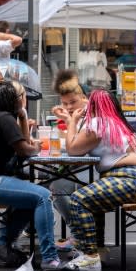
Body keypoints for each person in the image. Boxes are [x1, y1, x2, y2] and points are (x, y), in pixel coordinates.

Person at [0, 81, 79, 271]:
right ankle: (50, 259)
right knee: (43, 196)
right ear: (16, 100)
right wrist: (36, 146)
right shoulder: (5, 119)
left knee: (31, 199)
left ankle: (2, 242)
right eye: (23, 96)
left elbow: (21, 147)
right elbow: (25, 150)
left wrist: (23, 116)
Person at [65, 90, 136, 271]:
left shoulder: (98, 123)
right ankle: (97, 250)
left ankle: (90, 258)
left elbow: (72, 150)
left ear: (92, 106)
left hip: (131, 178)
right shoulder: (119, 124)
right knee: (91, 201)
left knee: (78, 200)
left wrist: (73, 121)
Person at [49, 69, 90, 251]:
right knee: (48, 181)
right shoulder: (77, 114)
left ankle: (78, 234)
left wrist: (69, 119)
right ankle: (76, 233)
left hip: (94, 167)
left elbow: (74, 147)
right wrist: (66, 119)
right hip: (79, 164)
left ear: (84, 97)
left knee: (56, 186)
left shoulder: (91, 113)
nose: (69, 107)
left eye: (73, 102)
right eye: (65, 103)